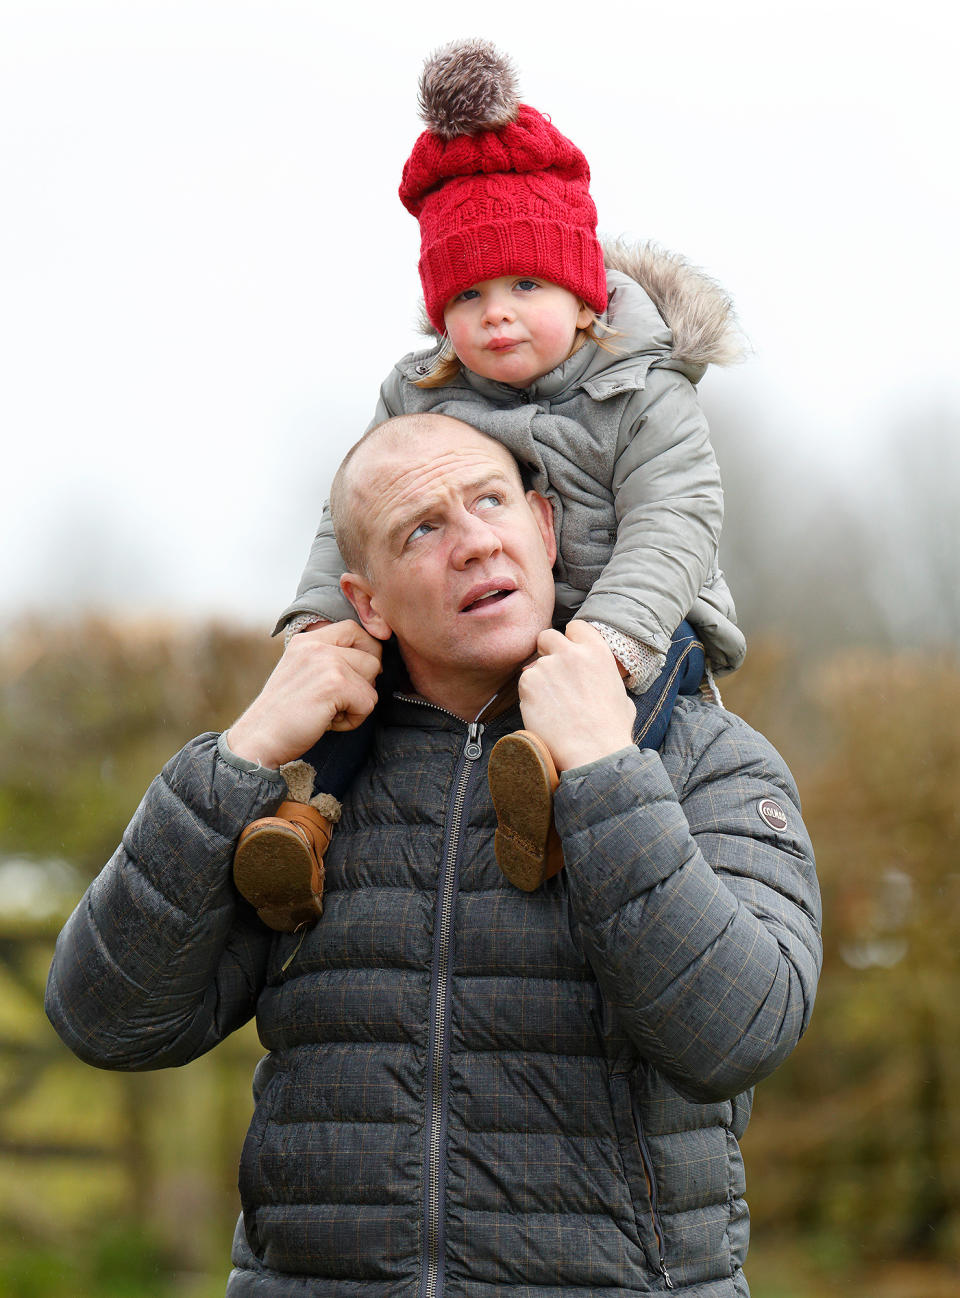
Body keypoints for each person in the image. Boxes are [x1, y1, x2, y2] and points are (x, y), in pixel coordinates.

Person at [46, 413, 821, 1298]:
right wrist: (241, 755)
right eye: (422, 529)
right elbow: (106, 1021)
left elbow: (740, 1033)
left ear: (543, 526)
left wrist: (608, 774)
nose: (474, 543)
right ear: (365, 601)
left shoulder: (705, 757)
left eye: (489, 502)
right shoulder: (299, 786)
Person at [232, 38, 747, 924]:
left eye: (524, 284)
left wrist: (609, 638)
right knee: (363, 685)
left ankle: (556, 804)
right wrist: (322, 621)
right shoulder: (419, 392)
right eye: (468, 297)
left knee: (648, 694)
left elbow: (677, 515)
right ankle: (303, 822)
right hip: (471, 624)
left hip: (634, 619)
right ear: (440, 312)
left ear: (585, 297)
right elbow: (346, 515)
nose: (496, 312)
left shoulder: (644, 390)